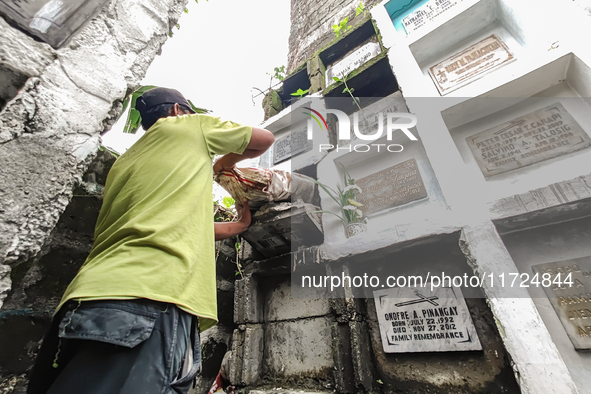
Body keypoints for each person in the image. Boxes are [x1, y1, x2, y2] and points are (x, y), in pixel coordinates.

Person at [27, 87, 274, 394]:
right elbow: (263, 139)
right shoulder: (187, 126)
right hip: (150, 295)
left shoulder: (123, 164)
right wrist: (222, 165)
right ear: (176, 110)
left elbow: (176, 222)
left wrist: (238, 226)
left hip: (84, 299)